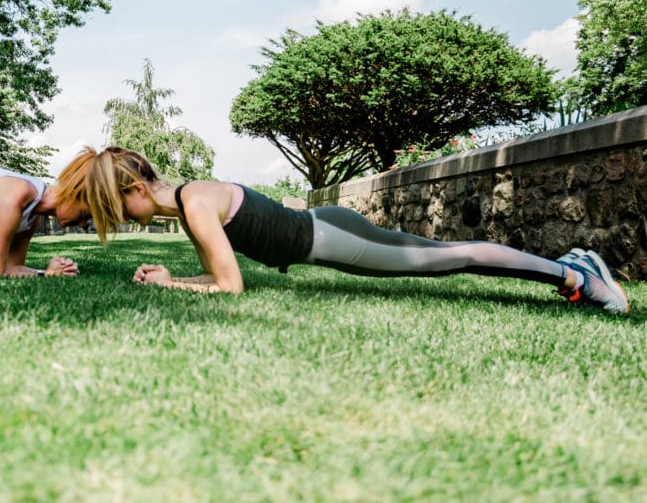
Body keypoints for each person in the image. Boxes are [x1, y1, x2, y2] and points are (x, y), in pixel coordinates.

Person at [80, 146, 629, 313]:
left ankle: (576, 276)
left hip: (334, 238)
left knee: (451, 256)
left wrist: (167, 285)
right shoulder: (188, 203)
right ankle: (575, 267)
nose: (124, 219)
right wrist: (174, 276)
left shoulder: (195, 203)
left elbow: (232, 288)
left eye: (117, 208)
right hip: (327, 234)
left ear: (132, 189)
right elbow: (216, 277)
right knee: (448, 254)